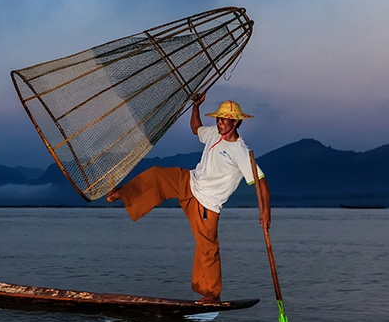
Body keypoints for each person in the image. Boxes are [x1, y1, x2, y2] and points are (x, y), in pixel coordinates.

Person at [105, 93, 271, 304]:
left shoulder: (240, 151)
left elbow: (262, 182)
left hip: (207, 203)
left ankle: (211, 294)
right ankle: (121, 193)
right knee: (157, 174)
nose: (219, 122)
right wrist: (195, 107)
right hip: (189, 181)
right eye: (218, 119)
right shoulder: (213, 134)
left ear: (236, 122)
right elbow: (195, 129)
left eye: (224, 119)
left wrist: (265, 212)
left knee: (207, 247)